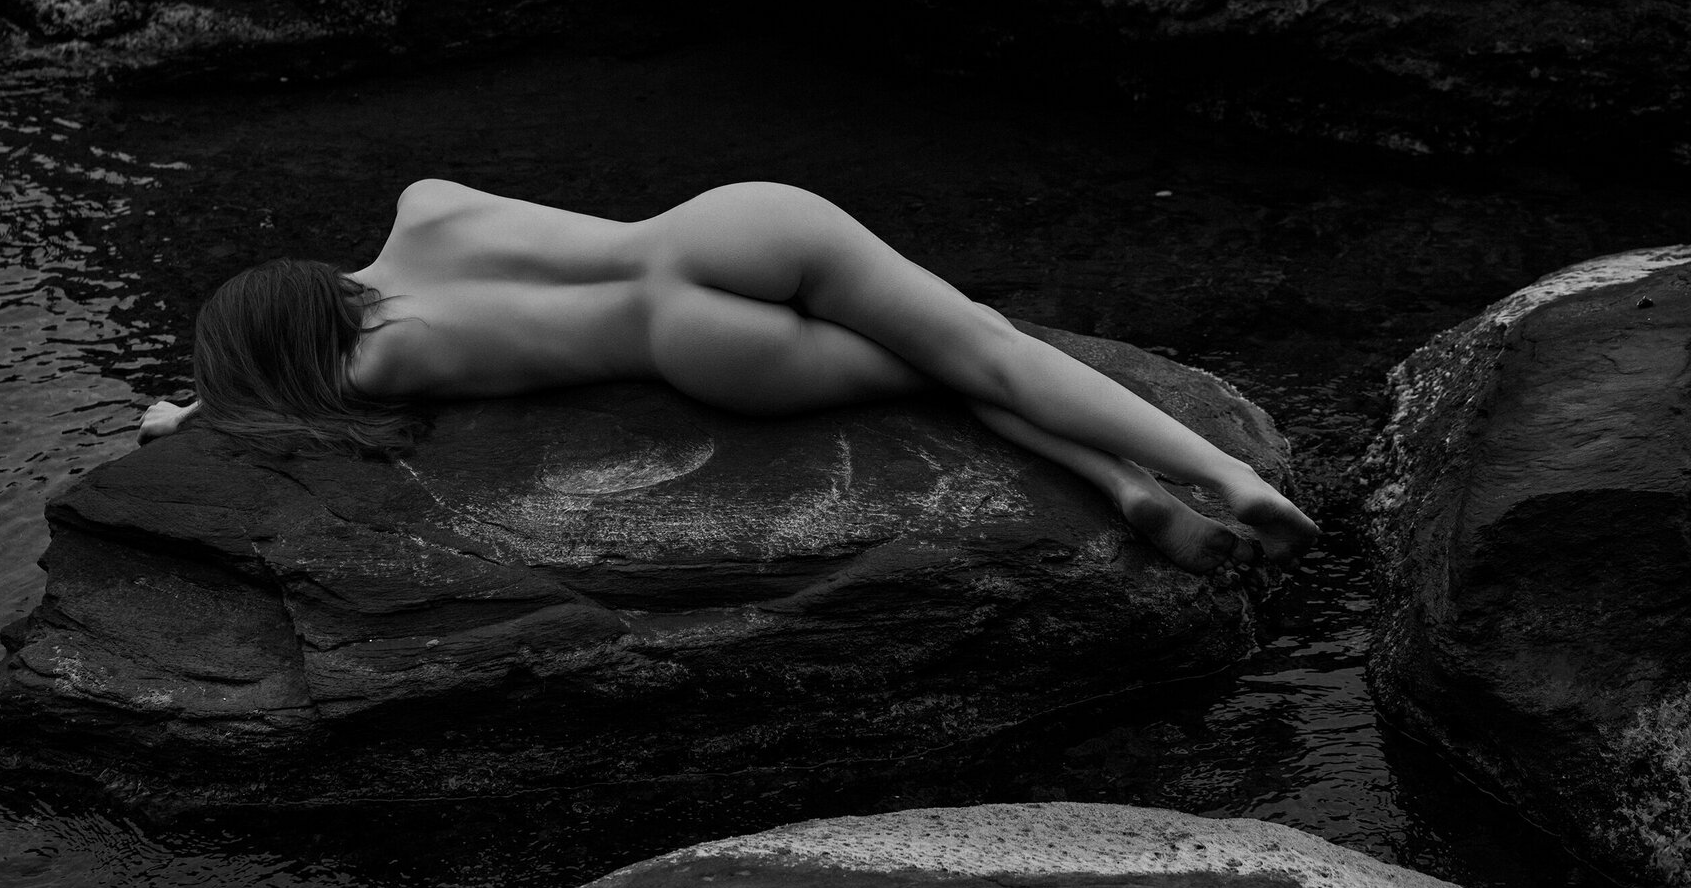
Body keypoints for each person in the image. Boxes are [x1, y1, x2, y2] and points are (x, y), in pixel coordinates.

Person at [140, 180, 1318, 575]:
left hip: (693, 342)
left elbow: (246, 412)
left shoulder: (382, 363)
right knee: (985, 347)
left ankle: (1128, 492)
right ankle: (1216, 475)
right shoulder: (424, 207)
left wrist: (184, 412)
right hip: (725, 226)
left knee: (932, 384)